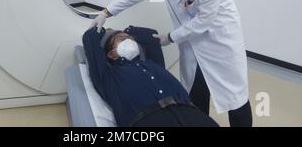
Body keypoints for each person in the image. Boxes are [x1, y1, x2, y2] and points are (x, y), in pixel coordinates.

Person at [90, 0, 252, 127]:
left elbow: (205, 20)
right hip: (191, 42)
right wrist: (107, 11)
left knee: (235, 98)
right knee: (195, 91)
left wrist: (171, 37)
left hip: (218, 39)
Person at [82, 26, 219, 127]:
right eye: (122, 39)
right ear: (111, 54)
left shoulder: (153, 64)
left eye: (130, 40)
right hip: (149, 121)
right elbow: (89, 38)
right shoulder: (109, 76)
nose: (128, 40)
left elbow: (151, 35)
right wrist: (101, 29)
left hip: (191, 114)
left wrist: (127, 31)